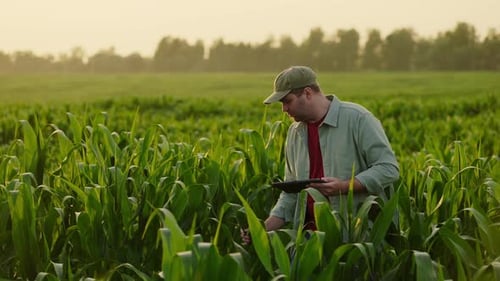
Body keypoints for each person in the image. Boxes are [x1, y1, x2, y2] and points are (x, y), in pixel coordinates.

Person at [242, 66, 399, 244]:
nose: (284, 109)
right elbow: (291, 194)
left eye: (287, 101)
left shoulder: (358, 119)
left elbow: (388, 168)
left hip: (354, 239)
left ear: (308, 93)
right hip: (307, 241)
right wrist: (262, 229)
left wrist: (345, 186)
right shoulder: (295, 132)